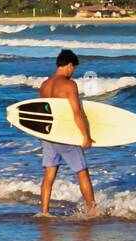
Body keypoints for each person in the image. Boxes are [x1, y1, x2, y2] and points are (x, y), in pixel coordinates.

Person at [38, 49, 96, 216]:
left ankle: (44, 212)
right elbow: (77, 113)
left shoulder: (44, 85)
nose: (73, 72)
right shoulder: (69, 85)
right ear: (69, 65)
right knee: (82, 172)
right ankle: (92, 211)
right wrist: (86, 136)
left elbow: (44, 113)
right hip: (64, 135)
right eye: (74, 68)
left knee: (49, 175)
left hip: (48, 135)